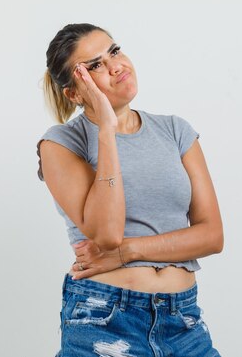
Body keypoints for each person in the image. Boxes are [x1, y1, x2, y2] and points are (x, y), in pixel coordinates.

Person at [37, 23, 223, 357]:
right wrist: (106, 129)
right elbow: (107, 234)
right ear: (75, 93)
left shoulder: (175, 131)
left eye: (114, 50)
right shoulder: (61, 144)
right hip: (104, 320)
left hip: (183, 322)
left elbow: (212, 236)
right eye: (94, 66)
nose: (115, 66)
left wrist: (129, 252)